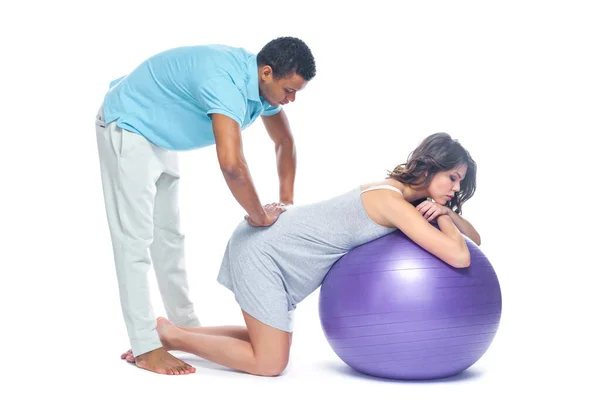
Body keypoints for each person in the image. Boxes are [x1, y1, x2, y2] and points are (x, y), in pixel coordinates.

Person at [120, 132, 481, 376]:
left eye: (461, 182)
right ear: (430, 166)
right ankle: (169, 336)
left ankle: (175, 330)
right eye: (452, 177)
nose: (456, 187)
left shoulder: (407, 199)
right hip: (265, 253)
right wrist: (445, 216)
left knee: (266, 342)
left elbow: (475, 240)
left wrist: (448, 214)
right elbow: (460, 257)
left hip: (273, 250)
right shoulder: (393, 202)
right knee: (271, 362)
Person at [95, 37, 316, 375]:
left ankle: (184, 330)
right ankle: (145, 345)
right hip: (129, 123)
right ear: (267, 73)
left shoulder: (260, 86)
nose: (292, 99)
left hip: (159, 133)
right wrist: (258, 216)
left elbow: (284, 141)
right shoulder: (224, 83)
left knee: (169, 238)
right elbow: (231, 164)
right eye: (289, 90)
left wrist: (285, 202)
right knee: (134, 240)